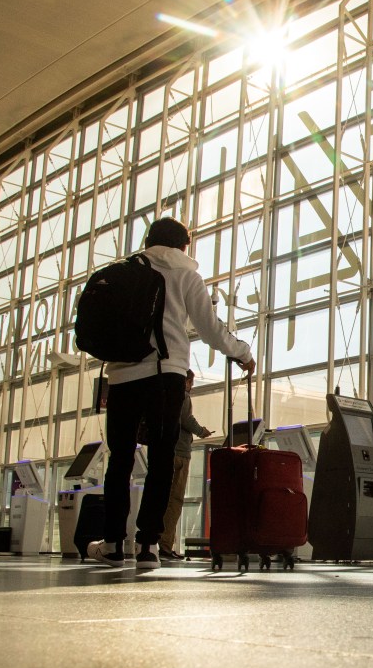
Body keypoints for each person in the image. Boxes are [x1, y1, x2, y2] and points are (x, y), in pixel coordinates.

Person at [88, 217, 254, 570]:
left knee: (119, 459)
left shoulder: (125, 271)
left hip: (121, 375)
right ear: (183, 246)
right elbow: (210, 327)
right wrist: (241, 352)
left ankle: (115, 543)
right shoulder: (185, 274)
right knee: (162, 458)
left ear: (148, 240)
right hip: (166, 374)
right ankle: (148, 546)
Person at [157, 368, 213, 561]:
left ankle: (157, 542)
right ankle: (165, 545)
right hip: (180, 453)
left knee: (163, 497)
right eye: (191, 382)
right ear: (186, 381)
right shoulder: (183, 396)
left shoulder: (163, 395)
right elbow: (186, 419)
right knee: (175, 500)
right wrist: (201, 431)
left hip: (166, 450)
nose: (192, 386)